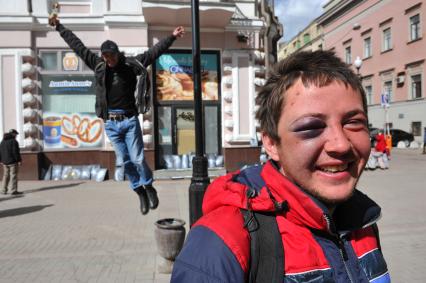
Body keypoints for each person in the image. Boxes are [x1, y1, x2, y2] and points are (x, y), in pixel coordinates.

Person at [171, 51, 390, 282]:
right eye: (311, 127)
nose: (341, 144)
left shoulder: (361, 220)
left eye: (354, 122)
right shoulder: (220, 243)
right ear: (271, 144)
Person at [48, 16, 185, 215]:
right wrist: (59, 27)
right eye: (105, 57)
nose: (108, 60)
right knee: (125, 161)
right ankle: (139, 191)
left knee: (138, 158)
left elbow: (153, 53)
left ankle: (149, 186)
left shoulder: (130, 65)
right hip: (111, 124)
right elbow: (78, 47)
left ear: (117, 54)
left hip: (129, 121)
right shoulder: (99, 66)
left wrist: (171, 37)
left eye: (111, 56)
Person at [0, 129, 22, 195]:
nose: (16, 136)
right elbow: (15, 152)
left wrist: (0, 160)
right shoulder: (14, 141)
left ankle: (3, 190)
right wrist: (19, 160)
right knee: (13, 176)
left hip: (4, 162)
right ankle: (13, 190)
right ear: (13, 134)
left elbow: (0, 152)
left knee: (5, 176)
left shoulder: (2, 141)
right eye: (15, 134)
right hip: (12, 162)